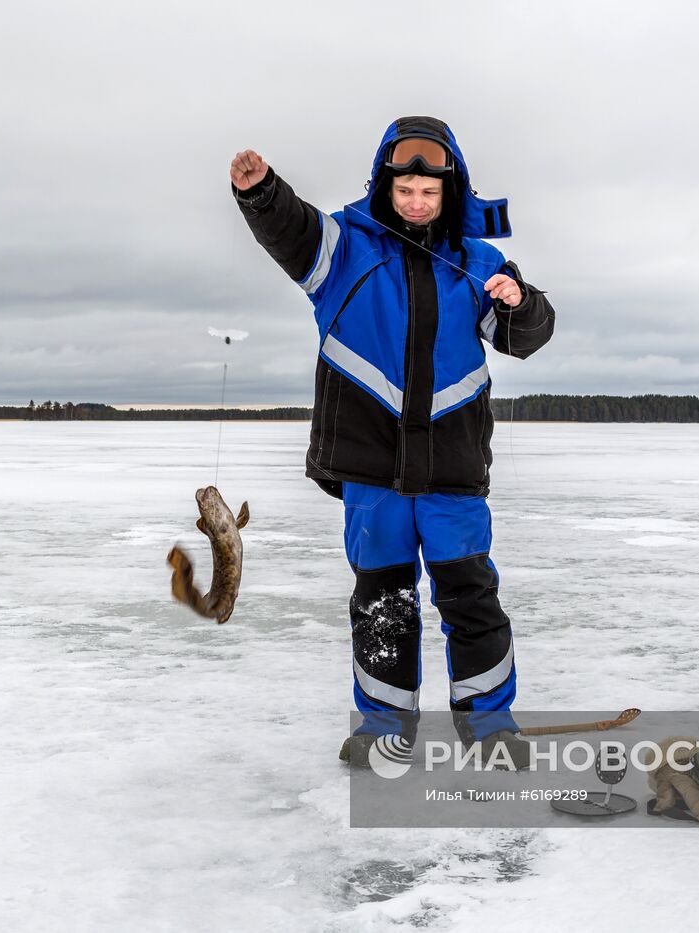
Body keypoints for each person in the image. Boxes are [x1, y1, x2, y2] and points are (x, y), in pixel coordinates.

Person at [230, 116, 555, 768]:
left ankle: (490, 730)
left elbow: (526, 335)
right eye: (405, 189)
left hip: (453, 467)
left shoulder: (479, 260)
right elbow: (292, 228)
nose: (415, 202)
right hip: (372, 469)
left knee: (471, 597)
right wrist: (262, 192)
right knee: (383, 603)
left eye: (428, 193)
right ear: (385, 185)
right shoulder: (343, 249)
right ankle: (385, 729)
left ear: (449, 193)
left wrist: (519, 302)